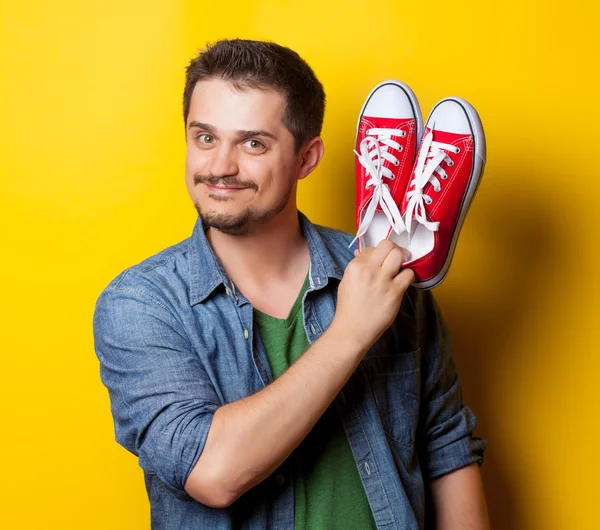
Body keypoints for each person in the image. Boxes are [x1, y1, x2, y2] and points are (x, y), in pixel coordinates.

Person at [93, 38, 489, 529]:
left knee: (394, 271)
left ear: (306, 159)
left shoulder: (386, 279)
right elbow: (213, 471)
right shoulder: (141, 303)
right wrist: (352, 330)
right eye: (206, 138)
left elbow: (445, 445)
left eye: (253, 143)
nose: (219, 166)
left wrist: (378, 295)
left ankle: (405, 227)